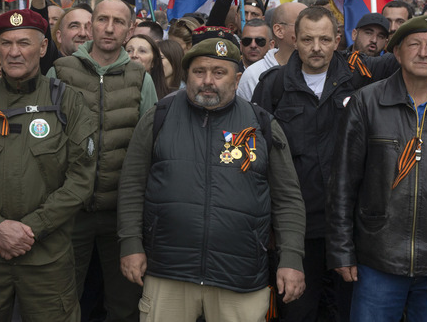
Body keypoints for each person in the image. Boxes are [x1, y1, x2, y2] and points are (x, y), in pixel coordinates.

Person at [118, 38, 306, 321]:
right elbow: (132, 186)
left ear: (237, 78)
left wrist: (291, 259)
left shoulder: (262, 125)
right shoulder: (159, 117)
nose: (208, 81)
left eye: (219, 73)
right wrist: (130, 244)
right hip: (168, 271)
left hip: (240, 275)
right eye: (199, 71)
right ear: (186, 75)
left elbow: (288, 199)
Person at [0, 9, 98, 321]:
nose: (14, 52)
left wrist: (30, 230)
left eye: (24, 43)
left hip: (47, 260)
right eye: (6, 43)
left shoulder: (67, 102)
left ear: (42, 48)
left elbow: (81, 179)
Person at [253, 7, 396, 322]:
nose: (316, 47)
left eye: (324, 39)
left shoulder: (363, 76)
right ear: (295, 39)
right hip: (298, 233)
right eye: (307, 39)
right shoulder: (273, 86)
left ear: (338, 41)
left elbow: (411, 54)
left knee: (347, 313)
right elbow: (258, 158)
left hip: (352, 232)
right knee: (298, 313)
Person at [47, 0, 158, 321]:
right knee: (61, 302)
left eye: (118, 22)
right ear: (90, 24)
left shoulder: (140, 78)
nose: (109, 28)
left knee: (125, 305)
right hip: (69, 211)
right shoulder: (61, 71)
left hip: (121, 216)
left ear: (130, 29)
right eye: (102, 20)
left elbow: (149, 147)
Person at [326, 16, 427, 321]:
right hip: (378, 257)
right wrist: (342, 250)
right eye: (415, 45)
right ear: (396, 52)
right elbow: (343, 182)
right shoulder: (367, 102)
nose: (424, 53)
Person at [236, 1, 306, 101]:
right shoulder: (253, 76)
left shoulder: (318, 68)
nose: (310, 30)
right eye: (301, 24)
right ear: (279, 30)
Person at [126, 33, 170, 100]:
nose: (134, 55)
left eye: (142, 51)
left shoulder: (169, 97)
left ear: (153, 61)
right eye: (129, 51)